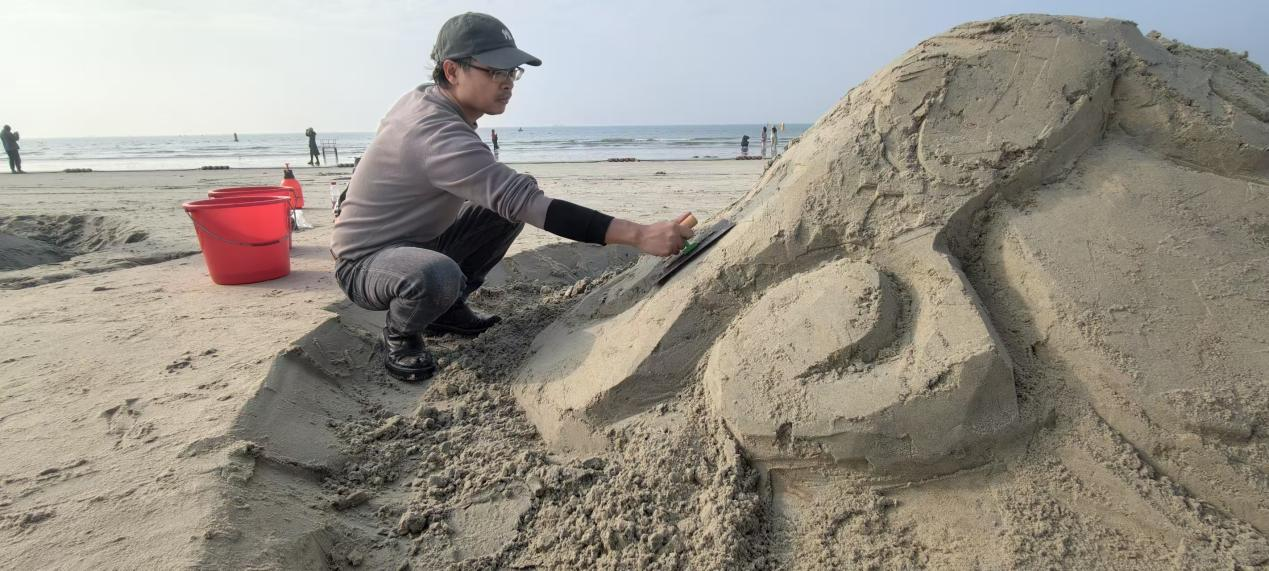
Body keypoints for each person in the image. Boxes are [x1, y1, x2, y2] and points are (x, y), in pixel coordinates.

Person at [331, 12, 695, 382]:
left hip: (423, 239)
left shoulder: (426, 97)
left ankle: (447, 310)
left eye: (512, 72)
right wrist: (640, 235)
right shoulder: (436, 132)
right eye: (494, 71)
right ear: (452, 71)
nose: (507, 82)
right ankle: (400, 335)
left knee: (502, 208)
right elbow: (533, 206)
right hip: (366, 263)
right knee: (439, 273)